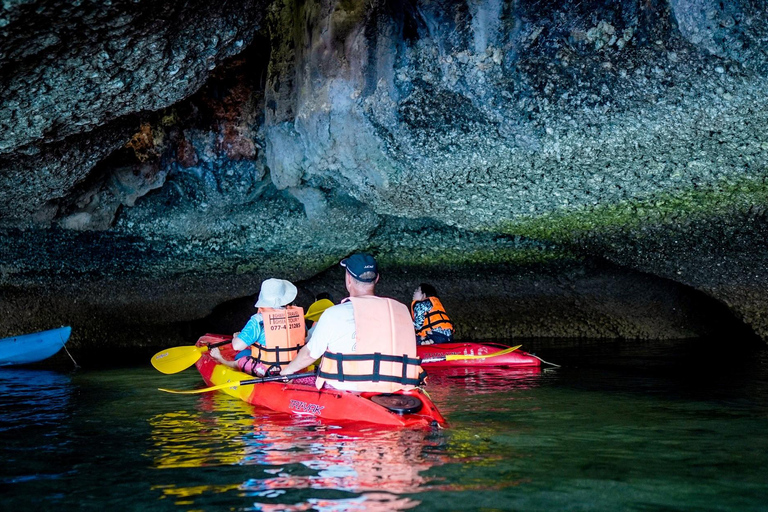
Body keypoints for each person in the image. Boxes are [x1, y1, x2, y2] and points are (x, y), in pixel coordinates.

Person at [281, 253, 424, 392]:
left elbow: (309, 355)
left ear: (348, 279)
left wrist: (286, 373)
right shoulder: (401, 310)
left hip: (347, 388)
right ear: (377, 279)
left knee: (299, 380)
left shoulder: (334, 314)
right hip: (395, 386)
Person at [210, 278, 306, 376]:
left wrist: (236, 338)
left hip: (268, 370)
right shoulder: (296, 317)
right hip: (295, 366)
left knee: (240, 359)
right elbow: (305, 339)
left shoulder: (259, 320)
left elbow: (237, 346)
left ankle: (222, 360)